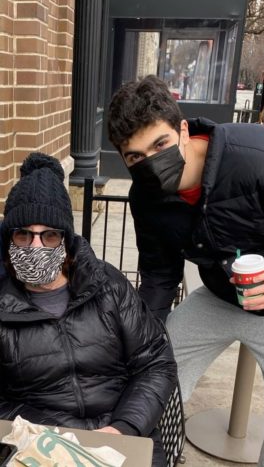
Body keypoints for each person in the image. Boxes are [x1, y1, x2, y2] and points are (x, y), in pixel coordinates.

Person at [108, 75, 264, 467]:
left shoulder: (261, 156)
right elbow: (160, 274)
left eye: (160, 144)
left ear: (183, 129)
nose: (150, 162)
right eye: (135, 156)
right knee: (149, 384)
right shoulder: (145, 197)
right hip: (218, 297)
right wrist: (142, 338)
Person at [0, 152, 177, 467]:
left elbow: (155, 363)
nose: (35, 246)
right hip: (42, 444)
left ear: (66, 240)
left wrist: (125, 427)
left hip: (124, 436)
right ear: (8, 240)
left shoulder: (108, 285)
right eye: (23, 234)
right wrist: (57, 435)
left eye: (49, 235)